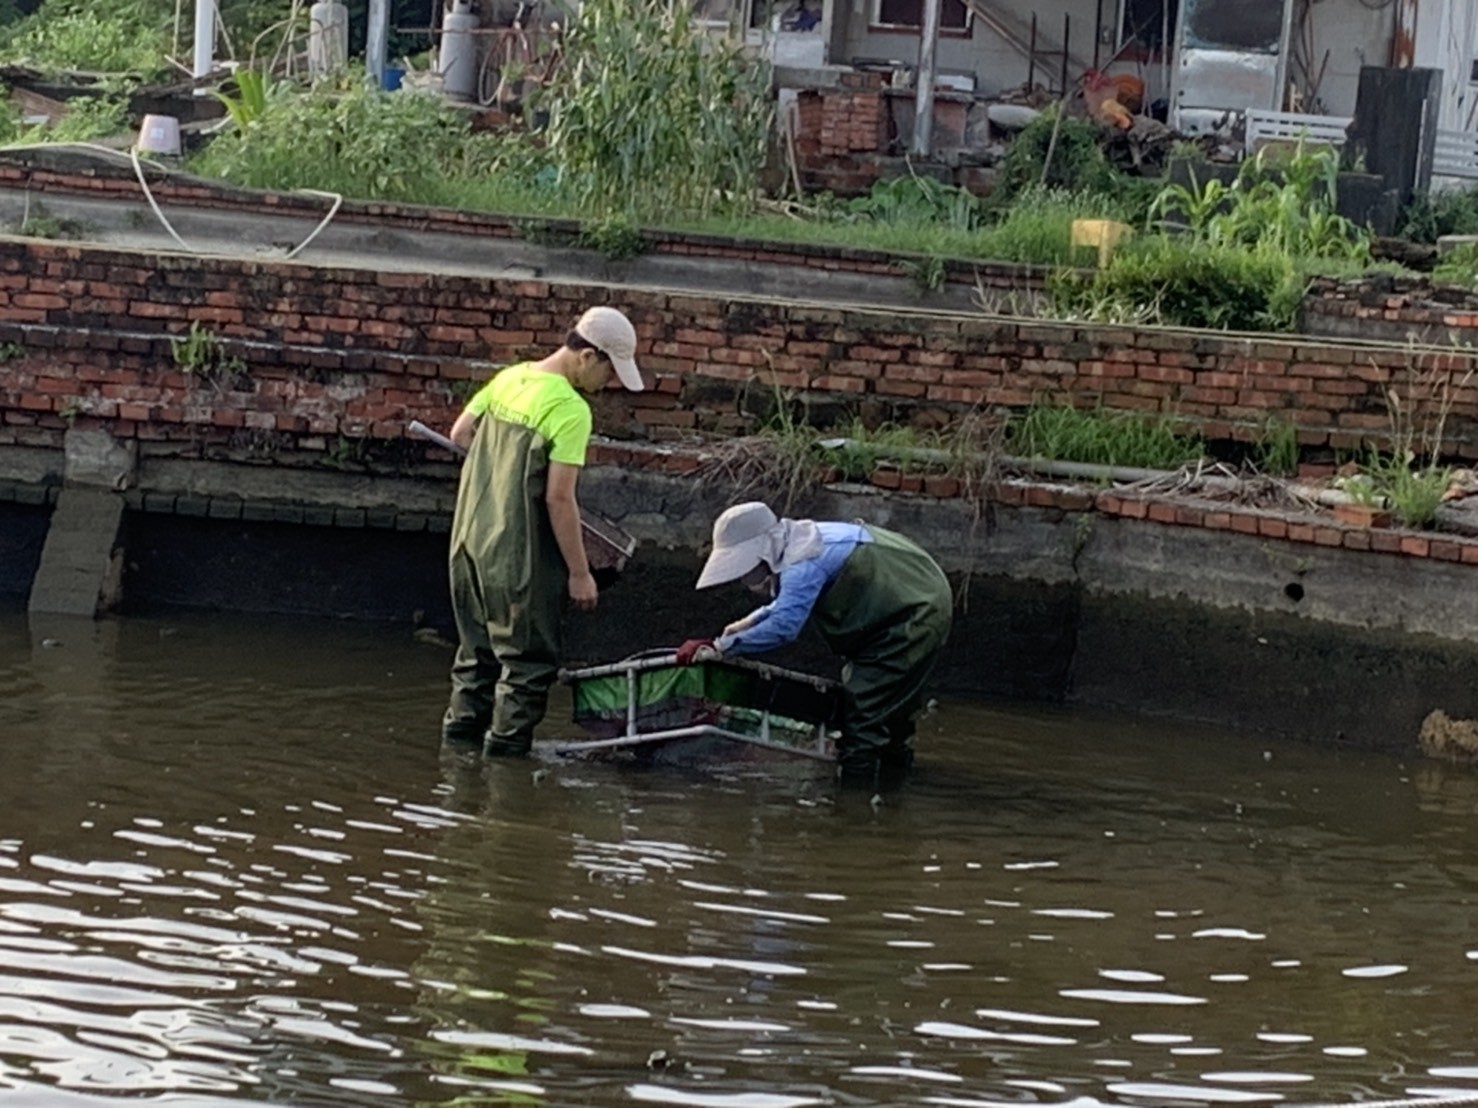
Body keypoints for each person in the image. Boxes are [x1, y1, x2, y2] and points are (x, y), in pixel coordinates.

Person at [441, 306, 645, 755]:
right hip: (518, 556)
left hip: (469, 545)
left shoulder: (511, 377)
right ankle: (505, 788)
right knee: (527, 668)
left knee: (475, 661)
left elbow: (460, 434)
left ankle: (456, 768)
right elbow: (558, 498)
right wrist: (579, 573)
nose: (607, 386)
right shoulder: (570, 409)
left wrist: (502, 475)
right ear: (588, 356)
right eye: (609, 373)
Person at [676, 502, 953, 784]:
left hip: (913, 614)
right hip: (914, 601)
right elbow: (787, 602)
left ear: (762, 553)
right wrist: (750, 621)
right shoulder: (801, 539)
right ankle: (893, 787)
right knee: (891, 712)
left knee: (861, 714)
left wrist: (721, 647)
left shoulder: (803, 561)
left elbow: (785, 626)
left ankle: (854, 802)